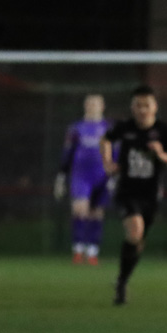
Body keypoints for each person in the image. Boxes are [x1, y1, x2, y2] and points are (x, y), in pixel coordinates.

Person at [100, 85, 167, 305]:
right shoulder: (125, 127)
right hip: (127, 191)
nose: (142, 110)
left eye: (146, 105)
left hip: (150, 196)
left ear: (154, 107)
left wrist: (161, 155)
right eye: (138, 105)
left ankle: (121, 282)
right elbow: (105, 140)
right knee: (135, 231)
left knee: (138, 242)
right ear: (132, 107)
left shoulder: (165, 131)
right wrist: (108, 163)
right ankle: (121, 283)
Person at [54, 94, 112, 264]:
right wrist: (61, 176)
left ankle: (93, 251)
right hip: (81, 175)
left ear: (102, 106)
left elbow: (114, 154)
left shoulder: (108, 128)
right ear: (85, 106)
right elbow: (68, 152)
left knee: (96, 213)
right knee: (80, 209)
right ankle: (78, 249)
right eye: (89, 103)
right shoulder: (76, 128)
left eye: (96, 103)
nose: (92, 106)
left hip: (101, 176)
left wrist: (115, 175)